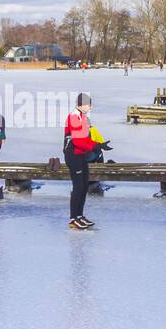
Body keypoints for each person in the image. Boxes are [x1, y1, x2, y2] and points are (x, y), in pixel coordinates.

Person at [64, 93, 96, 230]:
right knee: (78, 187)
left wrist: (98, 144)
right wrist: (94, 146)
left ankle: (79, 215)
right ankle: (73, 218)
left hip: (81, 154)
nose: (90, 107)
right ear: (81, 105)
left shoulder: (83, 117)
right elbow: (77, 140)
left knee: (84, 186)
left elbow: (85, 138)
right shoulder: (74, 116)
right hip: (73, 155)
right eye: (89, 104)